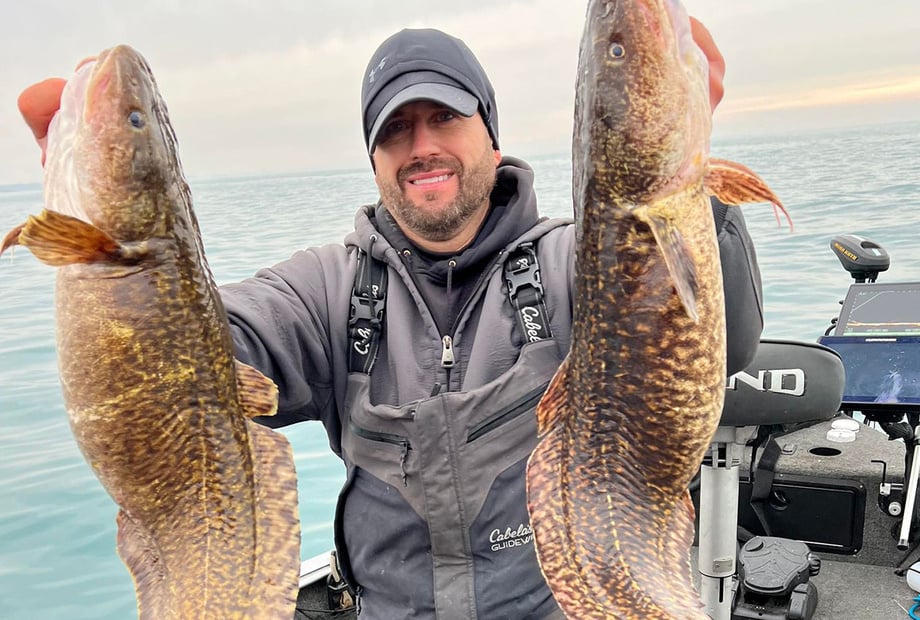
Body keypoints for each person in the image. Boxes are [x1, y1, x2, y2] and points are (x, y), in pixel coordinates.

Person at [18, 19, 762, 620]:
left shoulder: (578, 259)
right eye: (396, 130)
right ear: (374, 160)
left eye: (445, 117)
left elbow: (721, 333)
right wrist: (113, 255)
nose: (423, 146)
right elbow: (202, 356)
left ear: (491, 134)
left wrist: (695, 188)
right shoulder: (327, 289)